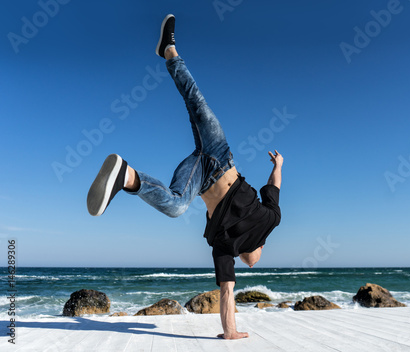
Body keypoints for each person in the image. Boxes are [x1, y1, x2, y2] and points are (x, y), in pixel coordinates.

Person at [86, 14, 283, 340]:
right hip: (220, 154)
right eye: (256, 260)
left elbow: (227, 290)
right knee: (196, 101)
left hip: (200, 176)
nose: (253, 264)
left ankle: (127, 176)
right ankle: (169, 50)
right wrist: (279, 165)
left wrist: (231, 331)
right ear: (260, 246)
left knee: (177, 206)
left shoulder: (225, 248)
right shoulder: (270, 219)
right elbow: (274, 187)